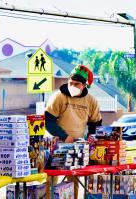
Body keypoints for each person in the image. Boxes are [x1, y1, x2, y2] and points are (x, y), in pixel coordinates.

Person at [45, 64, 102, 199]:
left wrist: (91, 140)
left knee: (74, 180)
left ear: (84, 85)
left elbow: (95, 124)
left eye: (76, 84)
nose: (72, 86)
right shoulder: (59, 96)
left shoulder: (91, 101)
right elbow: (48, 121)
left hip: (77, 147)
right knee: (50, 181)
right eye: (70, 82)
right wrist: (64, 136)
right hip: (56, 144)